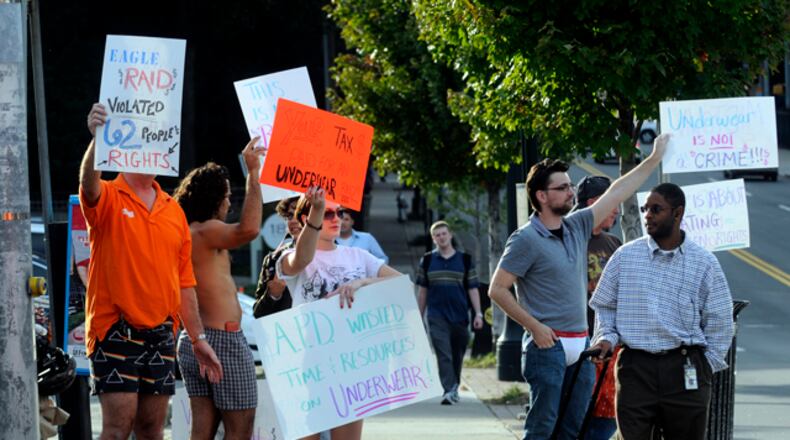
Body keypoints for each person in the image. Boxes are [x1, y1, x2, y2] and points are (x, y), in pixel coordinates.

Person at [488, 133, 669, 440]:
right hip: (548, 348)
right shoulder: (525, 239)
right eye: (562, 188)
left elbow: (617, 191)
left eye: (570, 186)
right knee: (542, 429)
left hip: (582, 346)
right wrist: (535, 328)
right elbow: (498, 289)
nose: (570, 192)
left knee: (572, 431)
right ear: (542, 196)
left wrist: (652, 160)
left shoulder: (577, 225)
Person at [80, 103, 222, 440]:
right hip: (115, 329)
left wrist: (198, 339)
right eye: (147, 140)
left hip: (160, 335)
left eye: (159, 141)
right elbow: (88, 185)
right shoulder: (111, 194)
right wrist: (98, 139)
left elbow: (184, 284)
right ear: (126, 148)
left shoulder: (173, 210)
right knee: (116, 429)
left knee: (152, 429)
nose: (155, 148)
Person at [589, 183, 734, 439]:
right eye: (645, 209)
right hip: (635, 367)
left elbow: (720, 319)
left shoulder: (704, 262)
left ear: (677, 213)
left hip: (685, 368)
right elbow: (605, 306)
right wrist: (606, 337)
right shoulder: (625, 256)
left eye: (656, 209)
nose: (648, 215)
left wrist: (704, 366)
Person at [275, 187, 401, 440]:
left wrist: (361, 283)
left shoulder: (358, 255)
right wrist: (316, 212)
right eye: (328, 213)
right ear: (305, 219)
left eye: (339, 213)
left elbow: (401, 285)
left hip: (350, 365)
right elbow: (299, 261)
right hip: (309, 364)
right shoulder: (290, 256)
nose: (337, 219)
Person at [172, 137, 265, 440]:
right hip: (222, 339)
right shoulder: (206, 230)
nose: (229, 202)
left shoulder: (188, 231)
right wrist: (253, 174)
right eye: (225, 196)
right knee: (241, 428)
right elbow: (249, 229)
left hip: (195, 337)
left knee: (203, 430)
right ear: (213, 199)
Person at [573, 175, 622, 440]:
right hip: (576, 345)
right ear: (595, 203)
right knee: (575, 416)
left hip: (607, 346)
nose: (617, 210)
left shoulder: (614, 244)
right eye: (613, 203)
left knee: (605, 420)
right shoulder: (569, 239)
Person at [416, 220, 483, 405]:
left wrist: (478, 314)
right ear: (433, 239)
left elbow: (473, 289)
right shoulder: (428, 260)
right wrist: (418, 317)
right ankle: (449, 389)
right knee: (443, 353)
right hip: (436, 316)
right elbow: (422, 291)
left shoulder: (464, 260)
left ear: (450, 235)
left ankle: (454, 385)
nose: (441, 237)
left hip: (460, 316)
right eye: (437, 235)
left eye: (444, 233)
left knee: (457, 354)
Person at [253, 196, 301, 318]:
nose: (294, 220)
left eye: (299, 213)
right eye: (289, 216)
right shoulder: (273, 259)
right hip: (287, 333)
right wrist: (273, 295)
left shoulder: (337, 256)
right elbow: (258, 314)